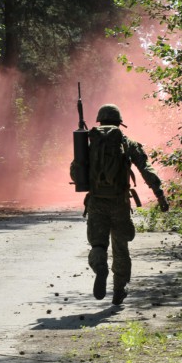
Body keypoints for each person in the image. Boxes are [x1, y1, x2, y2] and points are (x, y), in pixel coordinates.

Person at [71, 104, 169, 305]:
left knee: (98, 244)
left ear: (99, 120)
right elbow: (146, 169)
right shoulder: (127, 143)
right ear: (119, 122)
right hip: (119, 202)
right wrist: (159, 194)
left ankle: (100, 267)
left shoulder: (91, 143)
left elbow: (75, 172)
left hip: (96, 201)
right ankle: (119, 289)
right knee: (120, 247)